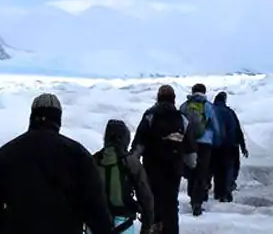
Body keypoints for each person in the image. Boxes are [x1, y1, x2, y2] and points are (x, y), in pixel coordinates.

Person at [0, 93, 115, 234]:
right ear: (58, 119)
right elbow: (96, 207)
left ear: (32, 116)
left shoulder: (8, 152)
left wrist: (2, 229)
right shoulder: (77, 154)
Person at [132, 84, 197, 234]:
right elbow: (190, 148)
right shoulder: (181, 118)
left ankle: (153, 228)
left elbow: (140, 142)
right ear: (174, 99)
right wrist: (191, 164)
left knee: (152, 200)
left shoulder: (150, 115)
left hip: (152, 166)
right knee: (171, 203)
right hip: (174, 168)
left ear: (158, 97)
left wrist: (133, 163)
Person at [92, 119, 157, 234]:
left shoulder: (94, 160)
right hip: (123, 221)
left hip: (96, 220)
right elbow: (145, 195)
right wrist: (147, 223)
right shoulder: (131, 162)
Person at [178, 83, 221, 215]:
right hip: (205, 143)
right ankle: (198, 202)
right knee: (202, 172)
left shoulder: (185, 106)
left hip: (189, 143)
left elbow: (180, 124)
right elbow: (215, 126)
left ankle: (192, 198)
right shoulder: (208, 106)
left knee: (192, 171)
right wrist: (217, 143)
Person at [210, 91, 248, 202]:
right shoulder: (230, 112)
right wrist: (243, 146)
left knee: (217, 170)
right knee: (229, 168)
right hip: (230, 145)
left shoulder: (211, 111)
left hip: (215, 146)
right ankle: (227, 192)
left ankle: (218, 193)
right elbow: (237, 129)